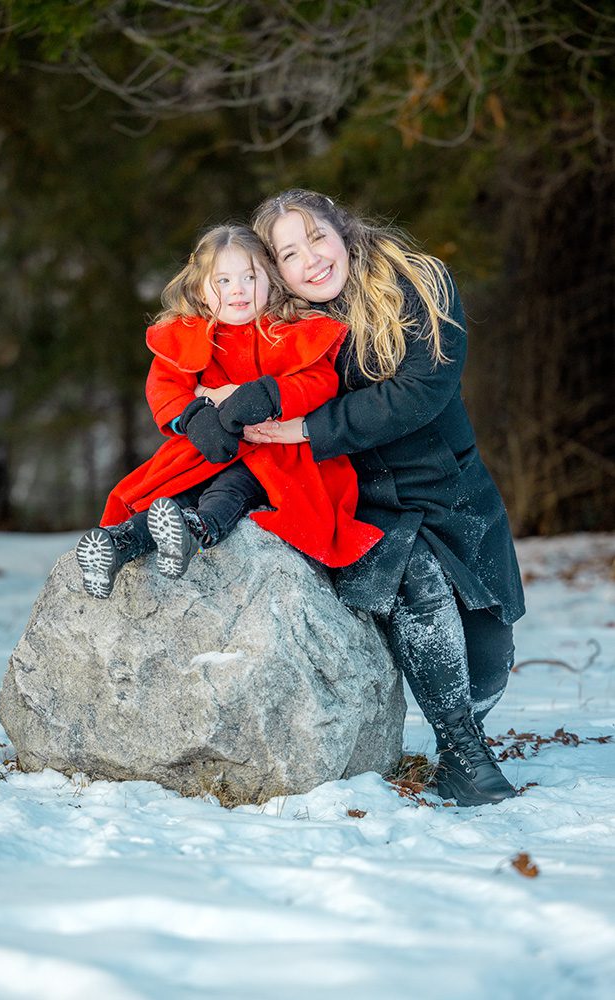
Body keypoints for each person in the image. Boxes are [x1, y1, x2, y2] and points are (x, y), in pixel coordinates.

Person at [223, 189, 525, 808]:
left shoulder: (419, 282)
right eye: (288, 253)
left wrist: (310, 427)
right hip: (361, 501)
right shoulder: (284, 331)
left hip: (449, 491)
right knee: (418, 583)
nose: (310, 259)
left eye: (316, 237)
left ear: (342, 229)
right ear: (276, 271)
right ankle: (466, 758)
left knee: (489, 660)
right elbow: (211, 360)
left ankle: (465, 730)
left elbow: (422, 389)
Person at [76, 223, 383, 600]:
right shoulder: (189, 333)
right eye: (222, 281)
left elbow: (319, 381)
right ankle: (118, 544)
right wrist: (192, 417)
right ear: (201, 291)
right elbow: (165, 385)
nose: (237, 290)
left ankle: (198, 529)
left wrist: (271, 394)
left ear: (270, 280)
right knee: (177, 489)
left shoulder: (292, 329)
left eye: (249, 277)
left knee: (231, 486)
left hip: (276, 452)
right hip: (208, 447)